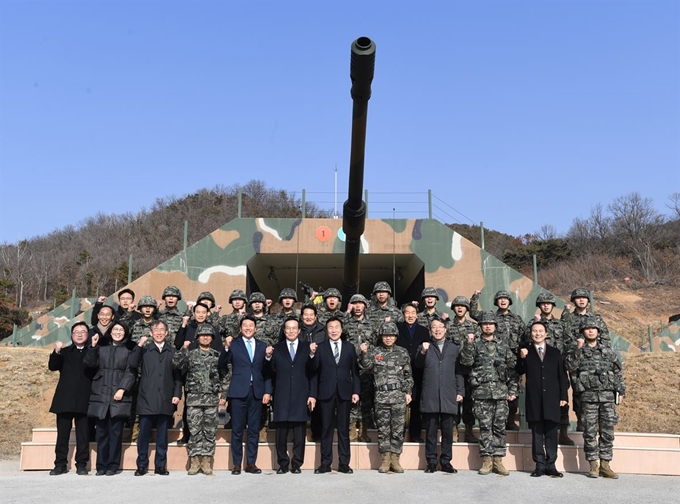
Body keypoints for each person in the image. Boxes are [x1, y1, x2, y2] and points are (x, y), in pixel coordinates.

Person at [565, 317, 625, 479]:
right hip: (588, 397)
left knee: (607, 431)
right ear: (583, 332)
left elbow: (617, 372)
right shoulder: (577, 350)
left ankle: (605, 464)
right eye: (587, 328)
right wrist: (578, 349)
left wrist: (621, 390)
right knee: (590, 432)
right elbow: (569, 366)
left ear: (598, 331)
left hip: (607, 397)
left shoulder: (607, 351)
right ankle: (593, 464)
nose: (591, 331)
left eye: (593, 328)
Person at [460, 311, 518, 476]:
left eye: (491, 323)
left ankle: (498, 460)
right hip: (481, 392)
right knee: (485, 427)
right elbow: (466, 362)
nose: (488, 326)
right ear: (480, 326)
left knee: (499, 427)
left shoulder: (503, 345)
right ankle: (486, 460)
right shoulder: (475, 344)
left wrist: (512, 390)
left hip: (500, 393)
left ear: (495, 326)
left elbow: (512, 370)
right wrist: (469, 344)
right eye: (485, 323)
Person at [218, 314, 272, 475]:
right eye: (245, 325)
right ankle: (236, 464)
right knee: (237, 429)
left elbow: (267, 372)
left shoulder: (263, 346)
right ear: (240, 329)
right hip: (238, 392)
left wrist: (267, 391)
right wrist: (226, 348)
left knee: (254, 430)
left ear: (255, 328)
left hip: (256, 392)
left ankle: (251, 463)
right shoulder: (234, 344)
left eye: (251, 325)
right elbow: (222, 365)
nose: (248, 328)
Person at [84, 321, 139, 476]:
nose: (117, 332)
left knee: (115, 433)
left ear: (126, 332)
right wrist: (93, 347)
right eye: (115, 329)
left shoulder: (129, 348)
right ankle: (101, 465)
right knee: (101, 433)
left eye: (121, 330)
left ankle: (113, 465)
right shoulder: (101, 346)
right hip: (101, 394)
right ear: (110, 331)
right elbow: (89, 363)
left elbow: (131, 372)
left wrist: (122, 389)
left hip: (118, 396)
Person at [173, 323, 228, 476]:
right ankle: (195, 461)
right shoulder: (190, 354)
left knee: (209, 432)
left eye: (208, 335)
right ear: (197, 338)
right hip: (194, 401)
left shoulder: (218, 356)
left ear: (212, 338)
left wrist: (223, 394)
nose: (205, 337)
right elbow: (176, 363)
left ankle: (206, 461)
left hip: (211, 400)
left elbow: (225, 375)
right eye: (202, 335)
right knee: (195, 431)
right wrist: (183, 348)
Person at [308, 316, 360, 474]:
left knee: (344, 429)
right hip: (326, 392)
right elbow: (313, 371)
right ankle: (325, 463)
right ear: (326, 330)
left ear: (342, 330)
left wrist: (356, 391)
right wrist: (311, 355)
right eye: (330, 327)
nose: (334, 330)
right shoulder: (320, 347)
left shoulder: (350, 347)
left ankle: (344, 463)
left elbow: (355, 372)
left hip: (344, 392)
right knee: (326, 428)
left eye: (337, 327)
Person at [359, 321, 413, 473]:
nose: (388, 338)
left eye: (391, 335)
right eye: (385, 335)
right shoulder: (375, 352)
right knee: (383, 429)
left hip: (398, 396)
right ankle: (384, 459)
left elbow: (408, 375)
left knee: (397, 429)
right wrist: (364, 353)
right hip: (381, 396)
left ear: (395, 336)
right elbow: (365, 366)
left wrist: (408, 392)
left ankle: (395, 459)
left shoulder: (402, 353)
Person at [517, 319, 568, 478]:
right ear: (530, 334)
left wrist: (563, 396)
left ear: (546, 334)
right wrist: (522, 358)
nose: (537, 333)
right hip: (534, 399)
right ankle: (539, 465)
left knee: (552, 433)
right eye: (534, 331)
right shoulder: (526, 351)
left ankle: (551, 465)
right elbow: (519, 371)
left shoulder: (555, 352)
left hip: (553, 399)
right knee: (537, 434)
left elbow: (562, 376)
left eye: (540, 331)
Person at [415, 316, 464, 473]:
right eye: (434, 327)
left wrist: (460, 391)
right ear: (430, 330)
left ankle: (446, 461)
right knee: (430, 432)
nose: (437, 329)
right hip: (431, 394)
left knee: (448, 432)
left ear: (445, 329)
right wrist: (422, 351)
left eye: (440, 327)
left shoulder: (454, 348)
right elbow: (417, 364)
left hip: (449, 394)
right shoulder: (425, 347)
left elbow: (458, 372)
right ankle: (431, 461)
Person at [265, 316, 315, 474]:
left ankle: (297, 464)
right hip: (281, 395)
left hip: (301, 395)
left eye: (294, 328)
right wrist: (267, 358)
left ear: (299, 330)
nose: (291, 331)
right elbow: (268, 372)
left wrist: (312, 394)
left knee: (299, 433)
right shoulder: (276, 348)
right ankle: (283, 464)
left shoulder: (308, 348)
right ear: (284, 330)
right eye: (288, 328)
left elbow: (313, 372)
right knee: (281, 433)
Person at [470, 289, 524, 431]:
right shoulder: (491, 317)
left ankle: (510, 420)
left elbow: (524, 337)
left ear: (509, 301)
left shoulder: (517, 319)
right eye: (500, 299)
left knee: (513, 390)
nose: (503, 301)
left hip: (511, 358)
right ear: (496, 302)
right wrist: (475, 297)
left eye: (505, 298)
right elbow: (474, 313)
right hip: (493, 357)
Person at [525, 292, 574, 446]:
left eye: (549, 303)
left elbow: (569, 342)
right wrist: (533, 323)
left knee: (562, 400)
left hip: (556, 366)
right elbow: (526, 340)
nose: (546, 305)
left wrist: (566, 361)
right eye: (543, 303)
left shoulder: (560, 325)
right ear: (539, 306)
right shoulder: (532, 325)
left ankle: (563, 432)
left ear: (553, 306)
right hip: (538, 367)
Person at [134, 320, 183, 476]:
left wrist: (176, 394)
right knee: (143, 435)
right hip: (146, 398)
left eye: (162, 330)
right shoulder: (144, 350)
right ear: (150, 333)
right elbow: (132, 364)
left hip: (165, 398)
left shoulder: (173, 351)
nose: (159, 332)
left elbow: (178, 377)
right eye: (156, 330)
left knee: (162, 436)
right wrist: (139, 346)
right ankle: (142, 465)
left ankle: (160, 465)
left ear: (167, 333)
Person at [48, 321, 96, 475]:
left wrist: (94, 348)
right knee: (62, 435)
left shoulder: (92, 351)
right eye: (77, 331)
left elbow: (95, 366)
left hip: (84, 399)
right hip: (65, 399)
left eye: (83, 331)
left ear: (87, 335)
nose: (80, 334)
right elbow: (53, 366)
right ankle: (60, 464)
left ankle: (81, 464)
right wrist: (56, 351)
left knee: (83, 435)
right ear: (72, 335)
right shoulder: (65, 351)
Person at [561, 287, 611, 431]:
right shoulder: (568, 318)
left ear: (588, 301)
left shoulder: (596, 319)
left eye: (584, 297)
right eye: (578, 298)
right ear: (573, 301)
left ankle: (596, 423)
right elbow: (565, 339)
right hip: (576, 358)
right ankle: (581, 422)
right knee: (578, 390)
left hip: (595, 360)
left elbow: (605, 339)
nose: (581, 300)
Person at [396, 302, 431, 442]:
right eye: (407, 312)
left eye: (413, 313)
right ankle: (398, 435)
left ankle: (415, 434)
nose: (410, 315)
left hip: (418, 371)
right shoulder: (397, 328)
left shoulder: (423, 330)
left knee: (416, 404)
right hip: (400, 371)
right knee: (399, 405)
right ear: (403, 314)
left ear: (417, 315)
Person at [344, 293, 377, 442]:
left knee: (366, 399)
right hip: (349, 366)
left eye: (360, 303)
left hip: (366, 367)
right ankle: (351, 429)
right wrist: (346, 313)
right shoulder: (346, 323)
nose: (357, 306)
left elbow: (377, 345)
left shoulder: (372, 325)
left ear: (365, 306)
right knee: (351, 398)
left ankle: (364, 431)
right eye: (354, 303)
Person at [448, 295, 479, 443]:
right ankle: (453, 430)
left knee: (469, 402)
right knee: (454, 401)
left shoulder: (473, 327)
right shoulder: (447, 326)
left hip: (470, 370)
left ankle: (468, 430)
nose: (460, 308)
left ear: (467, 309)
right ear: (454, 308)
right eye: (457, 306)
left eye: (463, 306)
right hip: (453, 370)